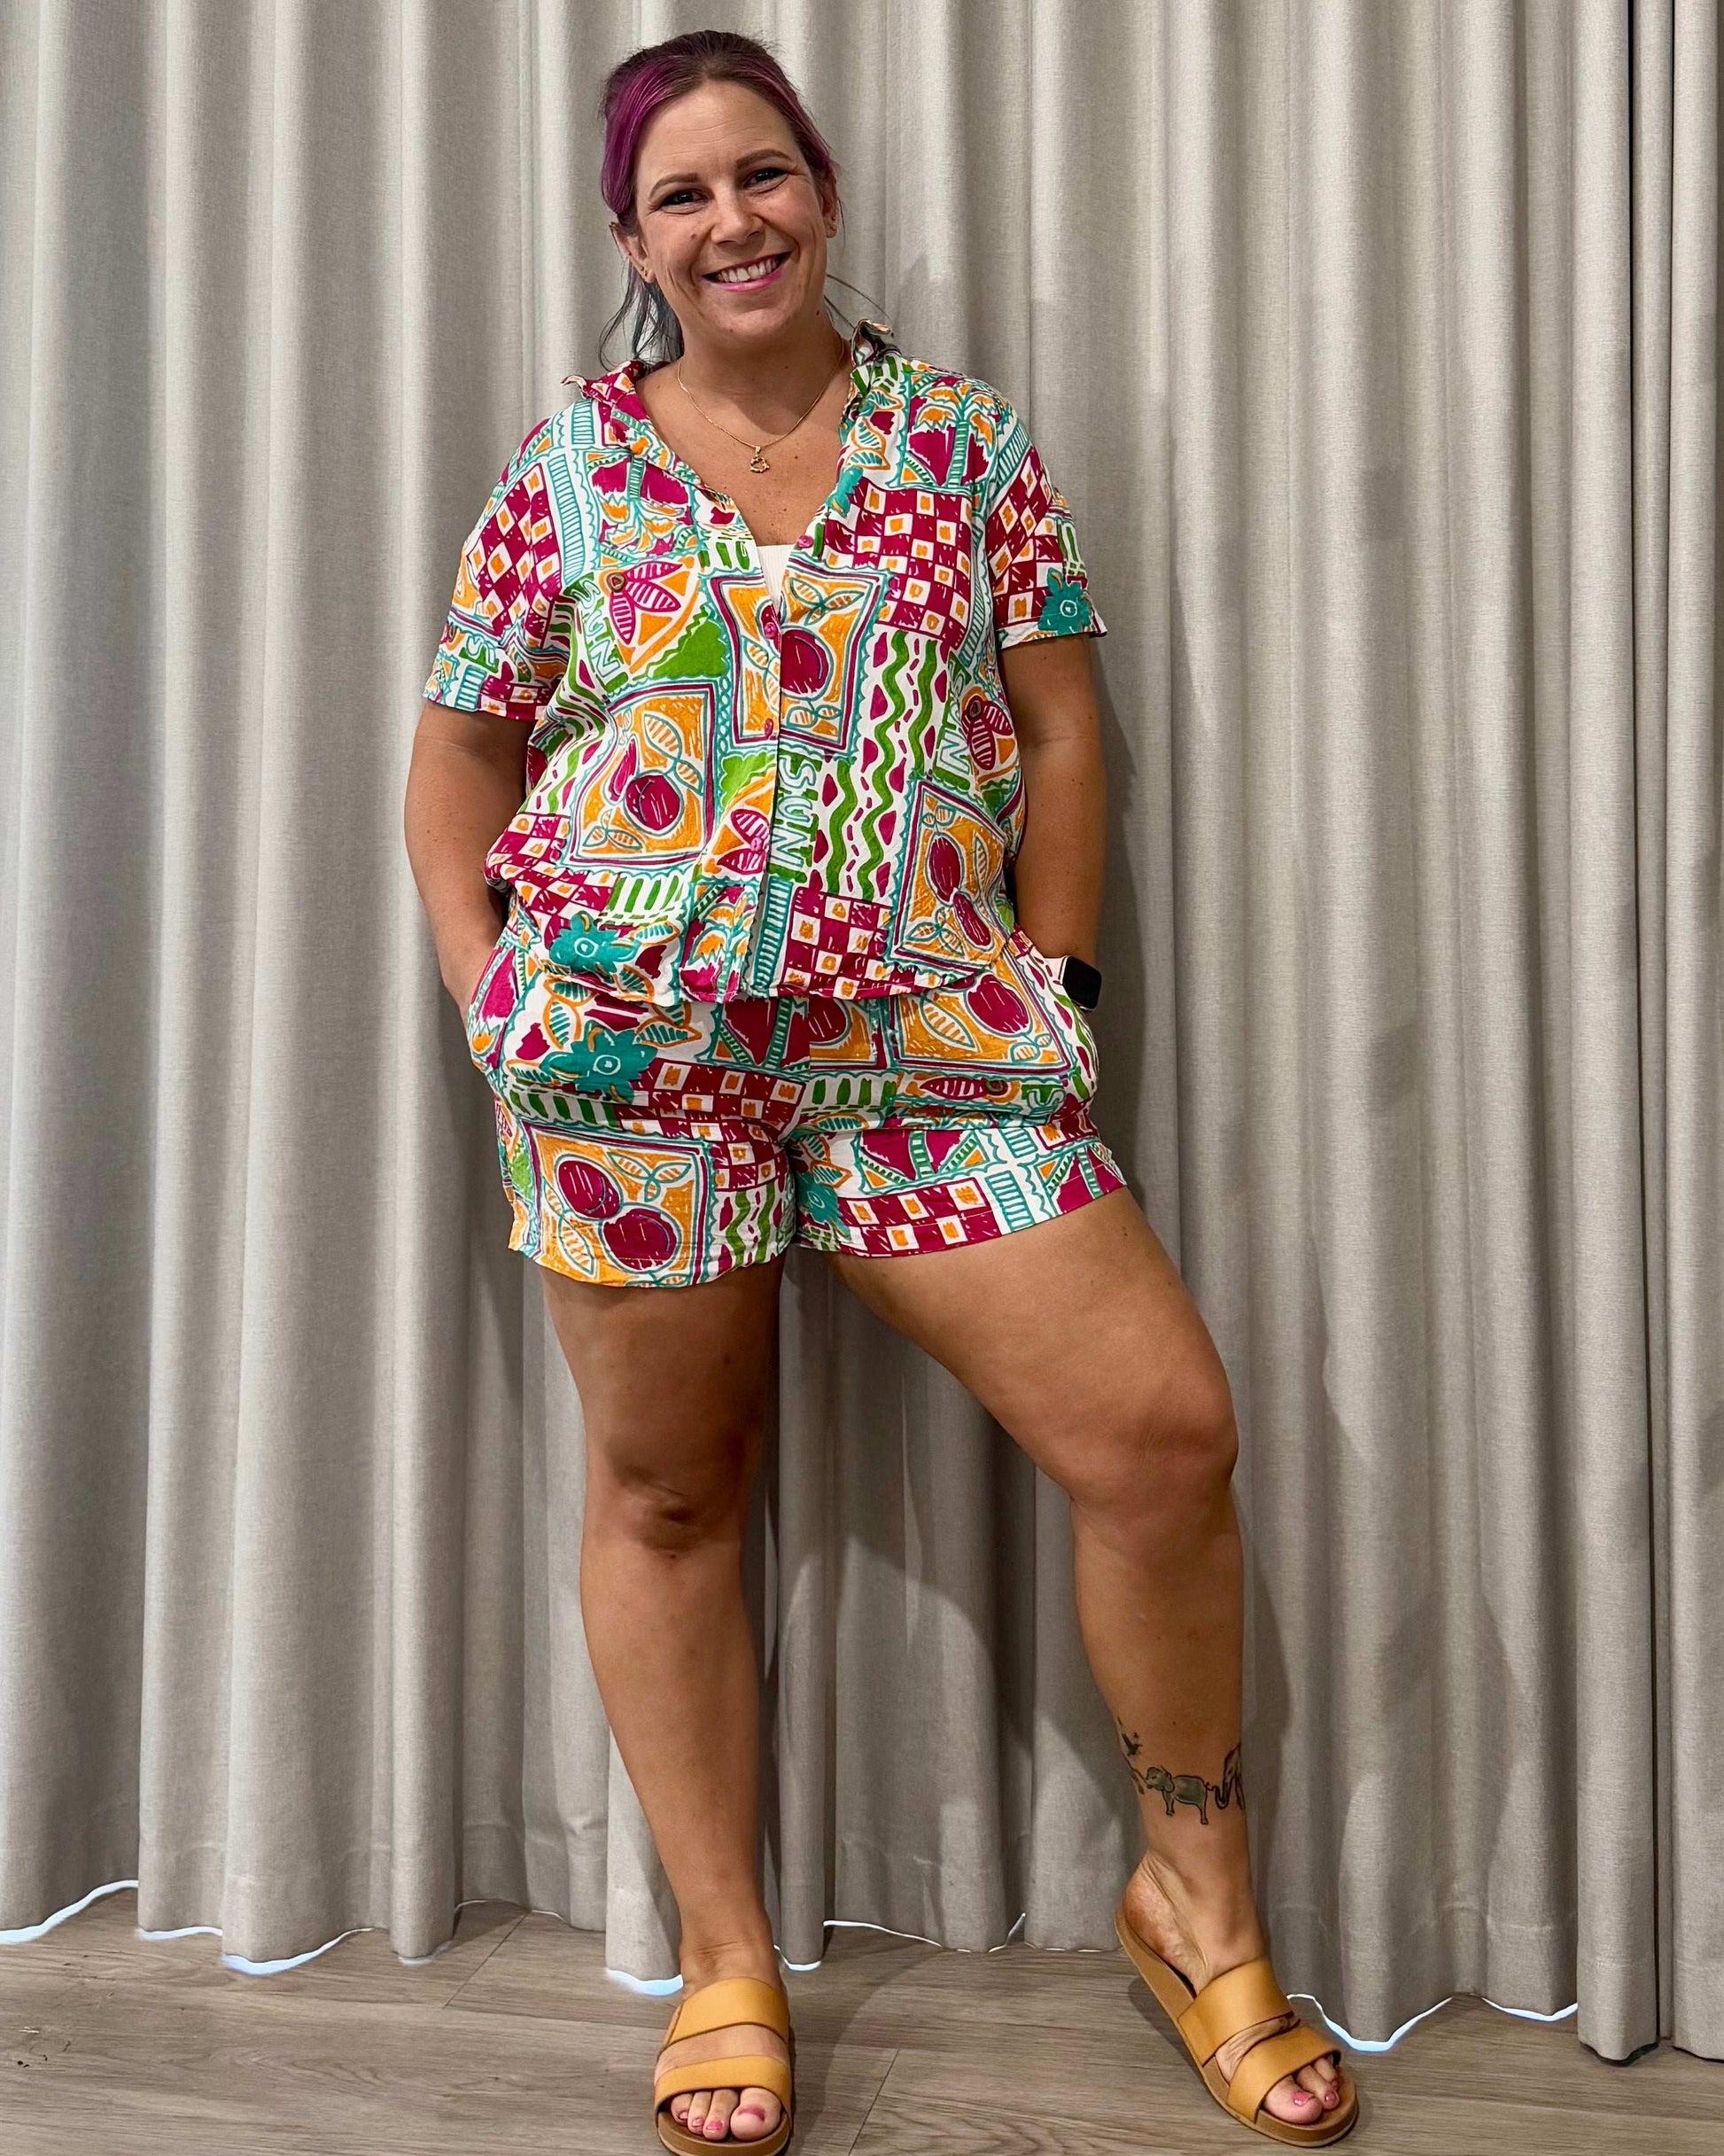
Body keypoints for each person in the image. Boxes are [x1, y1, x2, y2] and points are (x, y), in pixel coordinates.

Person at [404, 28, 1357, 2154]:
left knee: (1160, 1433)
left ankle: (1191, 1900)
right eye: (681, 194)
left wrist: (1058, 979)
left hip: (932, 1048)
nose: (731, 220)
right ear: (631, 241)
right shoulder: (564, 472)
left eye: (763, 174)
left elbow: (1063, 725)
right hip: (633, 1056)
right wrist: (498, 999)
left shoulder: (962, 442)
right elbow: (460, 749)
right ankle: (726, 1953)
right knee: (669, 1494)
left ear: (822, 192)